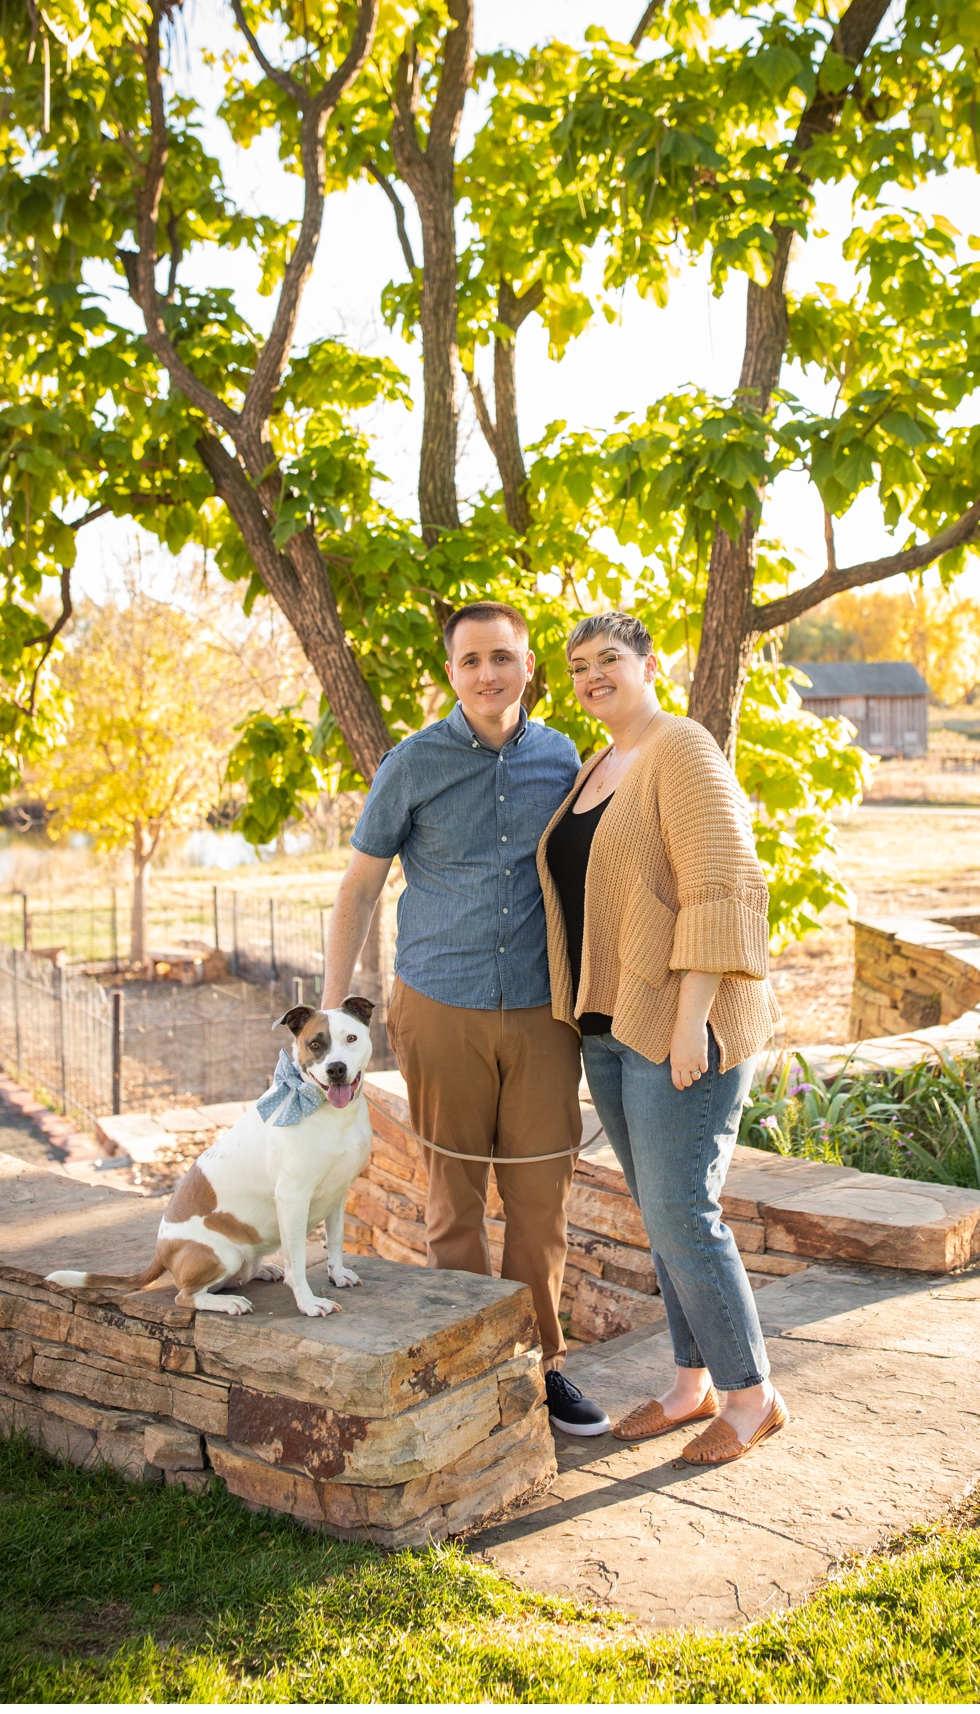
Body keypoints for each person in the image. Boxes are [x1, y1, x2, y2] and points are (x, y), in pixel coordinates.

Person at [325, 602, 607, 1437]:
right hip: (440, 1005)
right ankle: (473, 1369)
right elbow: (360, 887)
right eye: (472, 659)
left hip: (543, 1012)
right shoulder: (412, 764)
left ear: (529, 668)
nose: (489, 673)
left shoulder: (565, 758)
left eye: (504, 658)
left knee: (539, 1201)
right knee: (452, 1200)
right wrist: (337, 1012)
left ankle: (543, 1367)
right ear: (451, 672)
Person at [534, 610, 787, 1464]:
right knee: (661, 1212)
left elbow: (722, 886)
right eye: (577, 666)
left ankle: (752, 1396)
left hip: (682, 1026)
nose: (591, 675)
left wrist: (692, 1026)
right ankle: (692, 1385)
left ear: (649, 664)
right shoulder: (596, 764)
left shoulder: (683, 748)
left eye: (608, 658)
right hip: (610, 1025)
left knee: (685, 1213)